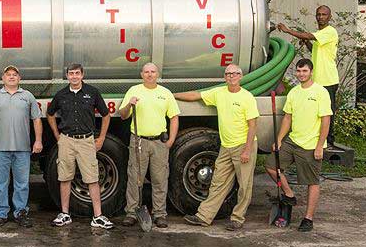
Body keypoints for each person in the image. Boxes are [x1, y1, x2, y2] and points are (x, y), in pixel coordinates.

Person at [175, 64, 259, 231]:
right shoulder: (219, 93)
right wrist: (171, 95)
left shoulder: (247, 97)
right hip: (226, 146)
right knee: (218, 182)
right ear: (224, 77)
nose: (231, 77)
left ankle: (237, 218)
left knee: (244, 185)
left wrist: (247, 150)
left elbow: (253, 125)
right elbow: (196, 95)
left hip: (243, 145)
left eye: (234, 74)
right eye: (228, 74)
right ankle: (204, 216)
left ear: (240, 76)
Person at [264, 58, 332, 232]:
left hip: (310, 145)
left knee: (312, 182)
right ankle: (289, 194)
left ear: (311, 72)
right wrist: (279, 139)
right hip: (292, 141)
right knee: (271, 166)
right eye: (299, 71)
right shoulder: (294, 92)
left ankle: (308, 219)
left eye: (305, 71)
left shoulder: (320, 92)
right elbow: (288, 117)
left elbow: (326, 120)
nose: (301, 74)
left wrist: (319, 146)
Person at [46, 63, 114, 229]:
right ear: (67, 76)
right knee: (65, 177)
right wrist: (57, 135)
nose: (74, 76)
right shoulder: (61, 95)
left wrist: (101, 138)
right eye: (71, 73)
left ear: (82, 75)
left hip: (86, 141)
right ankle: (65, 214)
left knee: (92, 178)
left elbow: (106, 115)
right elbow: (50, 114)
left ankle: (98, 216)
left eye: (77, 73)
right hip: (66, 140)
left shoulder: (92, 92)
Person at [118, 62, 179, 229]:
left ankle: (160, 214)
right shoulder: (134, 90)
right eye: (146, 72)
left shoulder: (165, 93)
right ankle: (131, 213)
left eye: (153, 72)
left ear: (157, 74)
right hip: (138, 141)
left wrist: (171, 140)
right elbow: (123, 115)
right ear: (141, 74)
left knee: (160, 179)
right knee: (135, 178)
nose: (150, 74)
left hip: (159, 142)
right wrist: (130, 104)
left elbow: (174, 117)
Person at [0, 65, 43, 228]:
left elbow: (36, 119)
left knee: (22, 183)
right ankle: (1, 214)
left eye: (14, 75)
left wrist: (38, 140)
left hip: (23, 148)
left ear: (19, 78)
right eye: (8, 75)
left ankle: (20, 213)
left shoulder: (27, 96)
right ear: (3, 78)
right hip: (0, 148)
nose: (11, 77)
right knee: (0, 182)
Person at [276, 5, 339, 145]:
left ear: (330, 17)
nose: (321, 17)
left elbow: (309, 35)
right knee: (316, 111)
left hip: (328, 79)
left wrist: (288, 30)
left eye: (324, 14)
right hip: (318, 80)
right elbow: (314, 50)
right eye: (319, 14)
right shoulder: (320, 34)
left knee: (327, 112)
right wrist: (306, 43)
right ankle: (318, 138)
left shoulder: (330, 32)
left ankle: (329, 141)